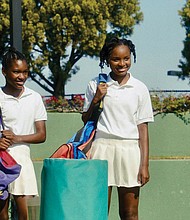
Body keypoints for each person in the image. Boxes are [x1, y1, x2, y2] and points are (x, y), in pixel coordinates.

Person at [82, 37, 154, 220]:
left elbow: (143, 129)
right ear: (107, 60)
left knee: (129, 213)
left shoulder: (140, 88)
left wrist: (144, 165)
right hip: (101, 150)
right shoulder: (95, 84)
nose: (122, 64)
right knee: (98, 211)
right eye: (116, 59)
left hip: (130, 151)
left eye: (126, 58)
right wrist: (96, 99)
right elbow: (85, 119)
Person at [0, 47, 47, 220]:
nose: (22, 76)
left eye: (25, 72)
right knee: (2, 214)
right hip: (1, 161)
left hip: (22, 159)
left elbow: (41, 135)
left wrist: (16, 138)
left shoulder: (34, 97)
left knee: (26, 214)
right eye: (16, 71)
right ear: (4, 71)